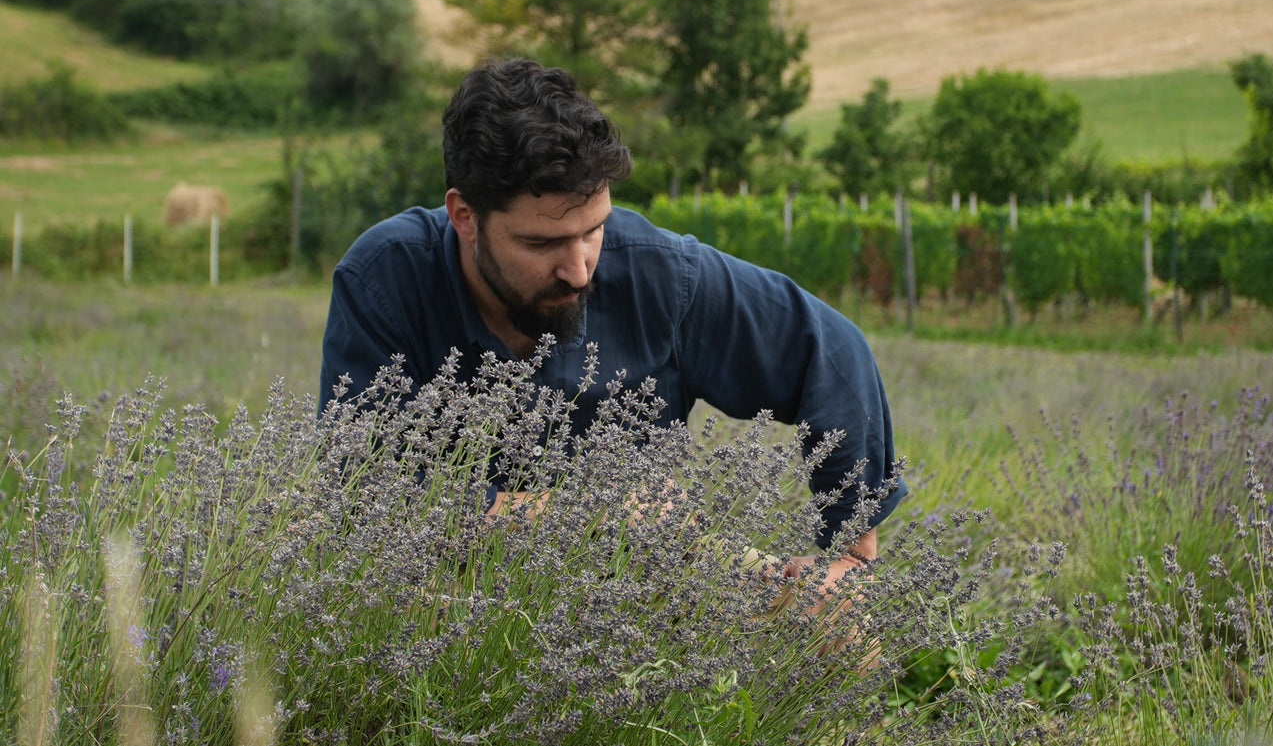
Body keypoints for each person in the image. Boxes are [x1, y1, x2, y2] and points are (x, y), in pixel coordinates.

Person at [319, 57, 907, 582]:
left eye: (594, 229)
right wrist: (582, 518)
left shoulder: (658, 273)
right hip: (436, 609)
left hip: (646, 604)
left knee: (828, 625)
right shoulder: (385, 279)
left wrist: (850, 561)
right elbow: (363, 498)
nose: (579, 270)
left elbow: (829, 348)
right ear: (464, 216)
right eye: (543, 241)